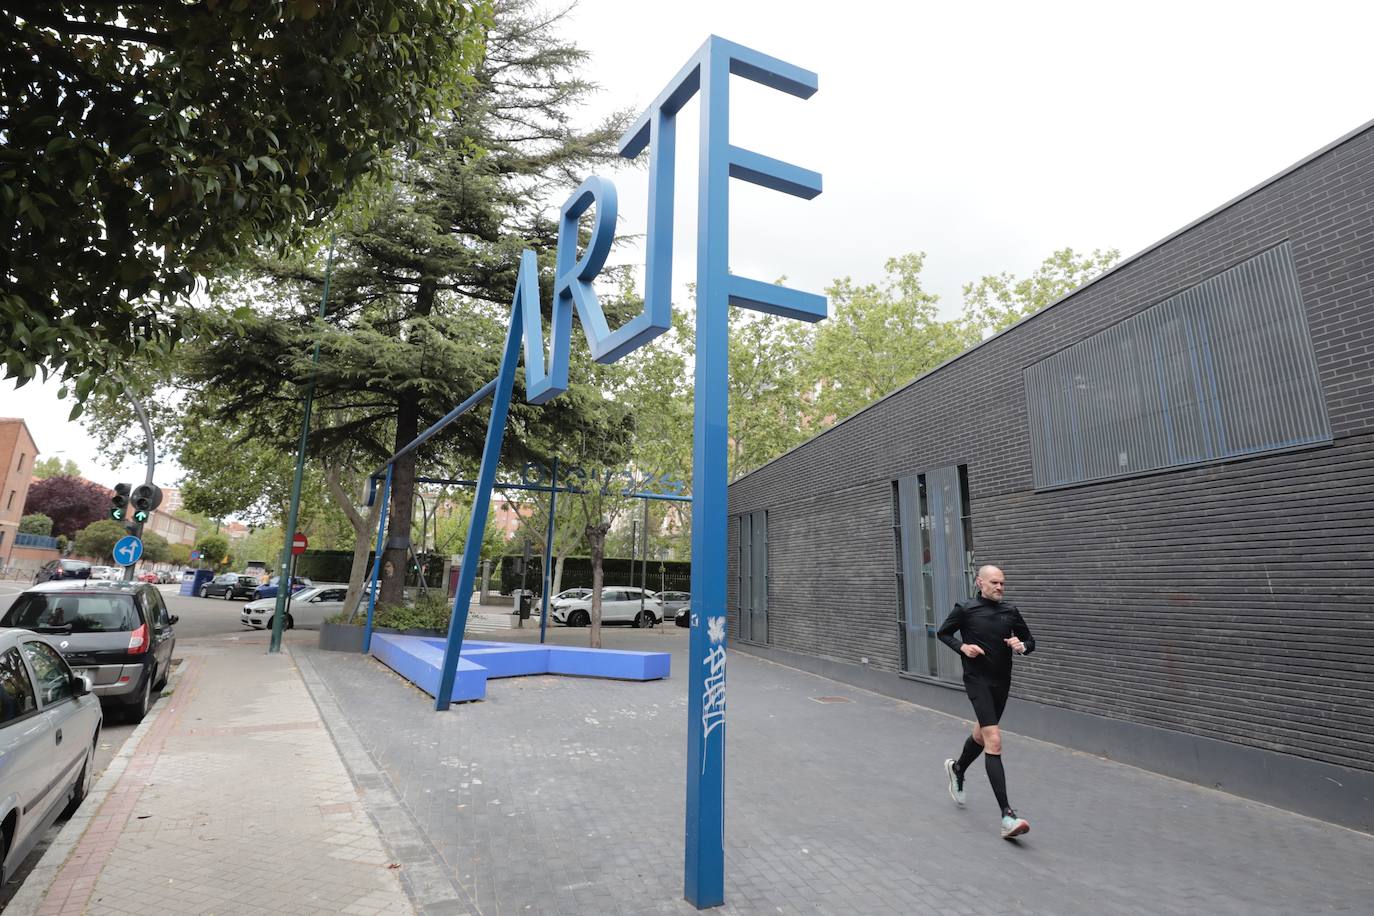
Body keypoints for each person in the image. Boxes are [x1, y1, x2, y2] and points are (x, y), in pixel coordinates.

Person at [937, 565, 1036, 839]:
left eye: (1003, 583)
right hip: (977, 681)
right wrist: (963, 647)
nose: (1000, 587)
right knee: (994, 740)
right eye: (994, 582)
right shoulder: (965, 609)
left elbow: (1030, 640)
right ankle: (1007, 816)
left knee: (981, 735)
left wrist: (1022, 646)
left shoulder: (1010, 612)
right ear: (980, 582)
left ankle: (957, 768)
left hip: (1001, 683)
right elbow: (943, 633)